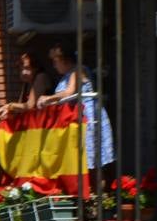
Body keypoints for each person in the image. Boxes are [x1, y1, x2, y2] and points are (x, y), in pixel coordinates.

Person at [38, 43, 115, 171]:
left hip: (89, 117)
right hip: (77, 118)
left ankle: (96, 188)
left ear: (64, 60)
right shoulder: (66, 76)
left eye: (55, 61)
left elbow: (69, 92)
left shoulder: (78, 70)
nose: (54, 65)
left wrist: (48, 98)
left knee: (92, 160)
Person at [0, 52, 55, 119]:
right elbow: (21, 106)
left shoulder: (41, 77)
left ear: (35, 68)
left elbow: (30, 106)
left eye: (27, 68)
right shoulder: (27, 83)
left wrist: (9, 106)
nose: (23, 72)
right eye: (21, 69)